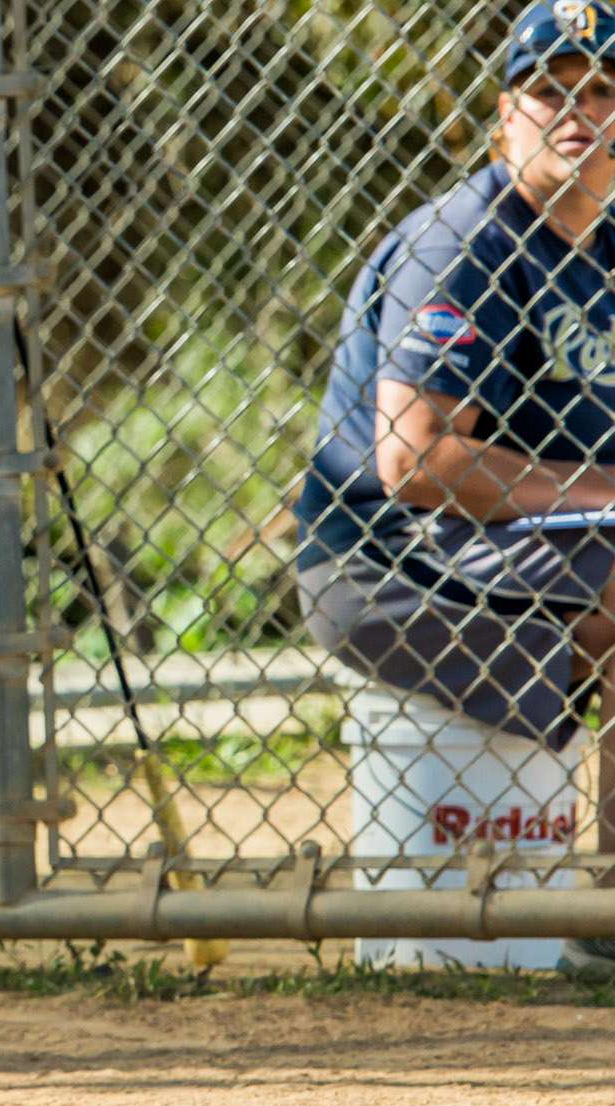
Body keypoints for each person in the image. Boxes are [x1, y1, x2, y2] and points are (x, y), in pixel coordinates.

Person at [295, 0, 615, 976]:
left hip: (515, 560)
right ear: (500, 119)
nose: (576, 110)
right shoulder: (469, 240)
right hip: (391, 568)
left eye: (601, 88)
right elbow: (416, 459)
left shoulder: (601, 251)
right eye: (549, 90)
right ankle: (608, 921)